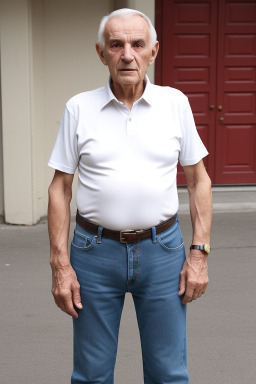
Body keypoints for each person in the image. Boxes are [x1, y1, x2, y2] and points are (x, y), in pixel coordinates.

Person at [48, 8, 212, 384]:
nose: (127, 55)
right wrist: (60, 265)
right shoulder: (79, 108)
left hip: (163, 252)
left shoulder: (174, 104)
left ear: (153, 51)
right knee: (91, 374)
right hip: (93, 253)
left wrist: (199, 253)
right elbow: (60, 186)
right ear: (100, 52)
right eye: (116, 44)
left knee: (168, 373)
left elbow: (198, 179)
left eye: (137, 44)